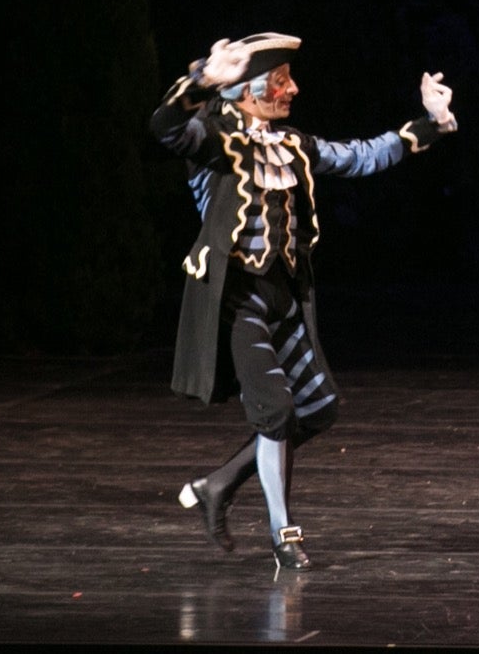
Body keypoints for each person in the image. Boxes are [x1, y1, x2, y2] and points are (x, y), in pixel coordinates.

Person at [150, 32, 457, 574]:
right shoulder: (216, 142)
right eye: (280, 80)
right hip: (236, 300)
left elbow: (362, 156)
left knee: (317, 411)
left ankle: (217, 485)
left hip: (282, 297)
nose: (292, 88)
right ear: (246, 90)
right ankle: (283, 534)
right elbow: (167, 127)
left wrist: (428, 123)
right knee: (277, 413)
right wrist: (201, 80)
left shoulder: (292, 145)